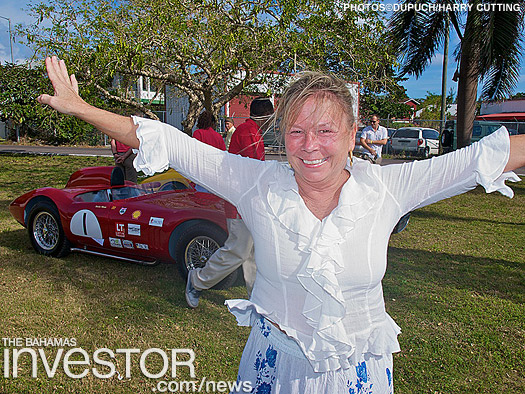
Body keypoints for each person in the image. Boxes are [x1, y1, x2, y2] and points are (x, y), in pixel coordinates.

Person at [38, 57, 524, 393]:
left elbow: (487, 158)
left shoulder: (388, 188)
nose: (310, 144)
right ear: (283, 135)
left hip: (359, 372)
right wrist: (81, 108)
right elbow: (166, 138)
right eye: (297, 130)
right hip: (272, 369)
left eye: (327, 130)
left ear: (354, 136)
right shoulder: (255, 182)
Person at [185, 98, 274, 308]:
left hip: (248, 202)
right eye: (271, 118)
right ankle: (197, 280)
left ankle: (256, 298)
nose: (272, 122)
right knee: (238, 251)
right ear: (265, 117)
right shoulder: (247, 132)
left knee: (253, 252)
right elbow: (254, 169)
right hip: (239, 204)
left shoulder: (251, 131)